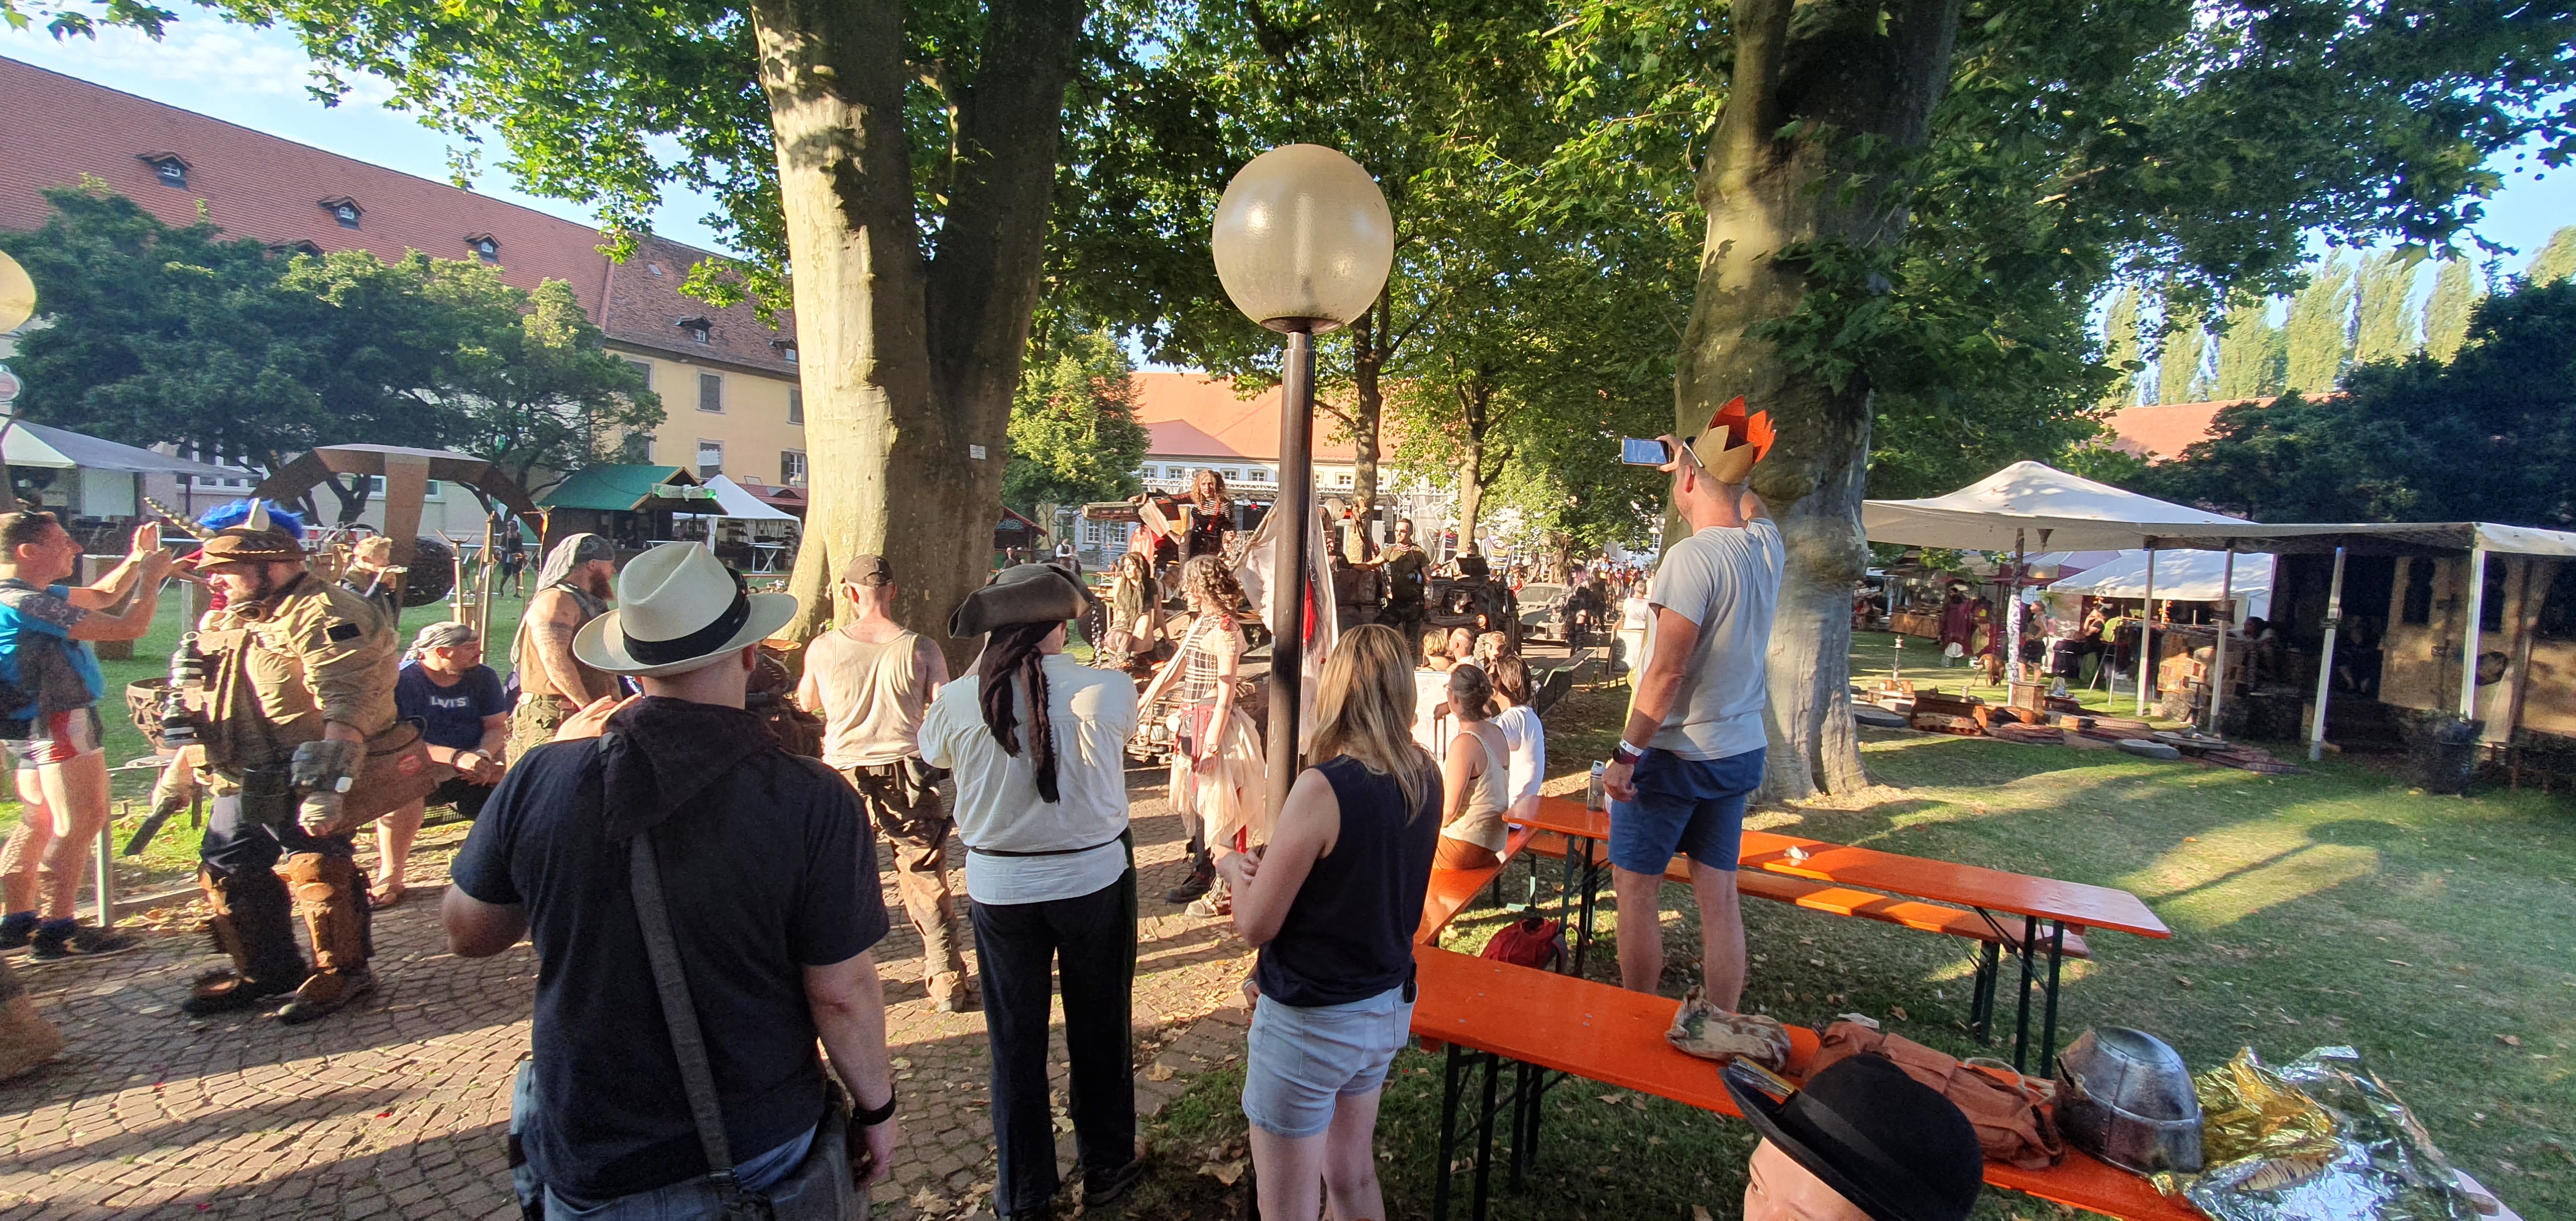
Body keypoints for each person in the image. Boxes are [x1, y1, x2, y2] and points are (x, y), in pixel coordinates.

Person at [443, 541, 897, 1215]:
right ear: (750, 654)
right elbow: (840, 992)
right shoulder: (810, 797)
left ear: (631, 667)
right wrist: (877, 1108)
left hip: (589, 1141)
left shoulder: (544, 774)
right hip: (758, 1135)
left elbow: (469, 931)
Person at [917, 563, 1144, 1219]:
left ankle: (1024, 1192)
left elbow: (932, 753)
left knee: (1014, 1042)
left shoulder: (960, 701)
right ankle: (1106, 1162)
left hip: (1002, 885)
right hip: (1092, 879)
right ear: (1059, 626)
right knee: (1101, 1024)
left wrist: (981, 669)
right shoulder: (1109, 688)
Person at [1212, 623, 1437, 1221]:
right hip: (1384, 1004)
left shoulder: (1323, 787)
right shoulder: (1425, 774)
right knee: (1353, 1176)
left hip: (1313, 1020)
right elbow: (1361, 879)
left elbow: (1256, 925)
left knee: (1287, 1206)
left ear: (1338, 690)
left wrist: (1233, 868)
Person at [178, 502, 411, 1023]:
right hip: (241, 770)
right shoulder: (232, 615)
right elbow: (203, 695)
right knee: (228, 864)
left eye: (227, 570)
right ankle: (268, 970)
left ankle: (343, 971)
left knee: (317, 862)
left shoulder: (329, 612)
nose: (216, 580)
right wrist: (180, 768)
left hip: (306, 766)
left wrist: (327, 787)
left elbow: (348, 701)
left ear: (273, 565)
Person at [1600, 426, 1782, 1007]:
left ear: (1685, 479)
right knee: (1719, 896)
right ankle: (1721, 1019)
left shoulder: (1690, 557)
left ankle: (1635, 1018)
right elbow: (1752, 505)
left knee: (1635, 889)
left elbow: (1666, 673)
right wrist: (1711, 466)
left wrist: (1626, 756)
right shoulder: (1767, 546)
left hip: (1675, 755)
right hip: (1739, 749)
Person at [795, 553, 976, 1013]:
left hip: (842, 777)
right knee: (923, 874)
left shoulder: (823, 648)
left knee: (835, 880)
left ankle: (836, 983)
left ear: (849, 594)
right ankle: (946, 979)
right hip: (907, 773)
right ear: (893, 592)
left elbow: (806, 702)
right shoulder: (922, 649)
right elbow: (943, 708)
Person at [0, 514, 171, 959]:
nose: (76, 548)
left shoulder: (23, 595)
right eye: (63, 541)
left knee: (39, 819)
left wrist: (136, 558)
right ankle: (58, 929)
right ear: (28, 552)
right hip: (57, 720)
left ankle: (18, 920)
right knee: (80, 821)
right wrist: (151, 579)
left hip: (26, 723)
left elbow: (102, 595)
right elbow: (128, 627)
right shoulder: (26, 604)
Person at [377, 621, 508, 908]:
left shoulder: (483, 676)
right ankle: (391, 875)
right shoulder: (402, 681)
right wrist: (455, 757)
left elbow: (496, 726)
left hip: (474, 762)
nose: (479, 653)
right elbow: (397, 741)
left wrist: (483, 756)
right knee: (405, 788)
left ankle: (504, 868)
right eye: (470, 648)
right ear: (441, 652)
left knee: (514, 785)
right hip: (418, 763)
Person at [1162, 555, 1263, 915]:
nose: (1185, 592)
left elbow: (1226, 691)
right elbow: (1175, 671)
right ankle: (1204, 869)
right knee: (1200, 801)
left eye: (1191, 585)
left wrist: (1212, 744)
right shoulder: (1200, 623)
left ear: (1205, 588)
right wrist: (1141, 702)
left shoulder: (1225, 628)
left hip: (1213, 724)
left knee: (1223, 805)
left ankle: (1227, 886)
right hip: (1192, 718)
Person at [510, 532, 618, 758]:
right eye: (610, 565)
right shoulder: (556, 600)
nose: (613, 571)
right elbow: (554, 659)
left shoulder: (585, 602)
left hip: (584, 713)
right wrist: (588, 710)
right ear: (592, 565)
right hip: (554, 716)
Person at [1435, 664, 1510, 870]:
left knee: (1401, 844)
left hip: (1463, 844)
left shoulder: (1465, 744)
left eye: (1448, 689)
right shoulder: (1497, 732)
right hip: (1491, 841)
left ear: (1456, 699)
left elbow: (1449, 810)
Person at [1487, 654, 1545, 823]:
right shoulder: (1527, 715)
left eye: (1489, 675)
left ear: (1499, 682)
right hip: (1523, 807)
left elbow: (1476, 740)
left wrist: (1477, 702)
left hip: (1510, 813)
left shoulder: (1513, 718)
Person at [1372, 519, 1430, 651]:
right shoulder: (1391, 551)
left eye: (1403, 531)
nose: (1398, 534)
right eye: (1396, 530)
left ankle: (1412, 662)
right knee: (1382, 628)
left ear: (1410, 533)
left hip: (1414, 604)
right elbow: (1372, 564)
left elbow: (1428, 580)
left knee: (1412, 641)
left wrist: (1427, 607)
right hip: (1397, 602)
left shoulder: (1418, 553)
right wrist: (1351, 566)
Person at [1178, 469, 1235, 561]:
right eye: (1203, 484)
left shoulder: (1224, 504)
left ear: (1217, 485)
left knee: (1188, 536)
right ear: (1199, 486)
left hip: (1212, 541)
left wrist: (1229, 535)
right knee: (1188, 535)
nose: (1207, 488)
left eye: (1210, 484)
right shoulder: (1197, 499)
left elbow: (1231, 525)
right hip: (1195, 538)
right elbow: (1178, 498)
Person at [497, 516, 529, 598]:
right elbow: (500, 546)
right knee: (506, 575)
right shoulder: (504, 535)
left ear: (516, 526)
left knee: (516, 574)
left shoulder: (519, 535)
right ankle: (501, 589)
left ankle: (516, 592)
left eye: (512, 525)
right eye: (509, 525)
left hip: (517, 556)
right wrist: (505, 550)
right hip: (507, 556)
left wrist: (523, 555)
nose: (510, 527)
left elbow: (521, 546)